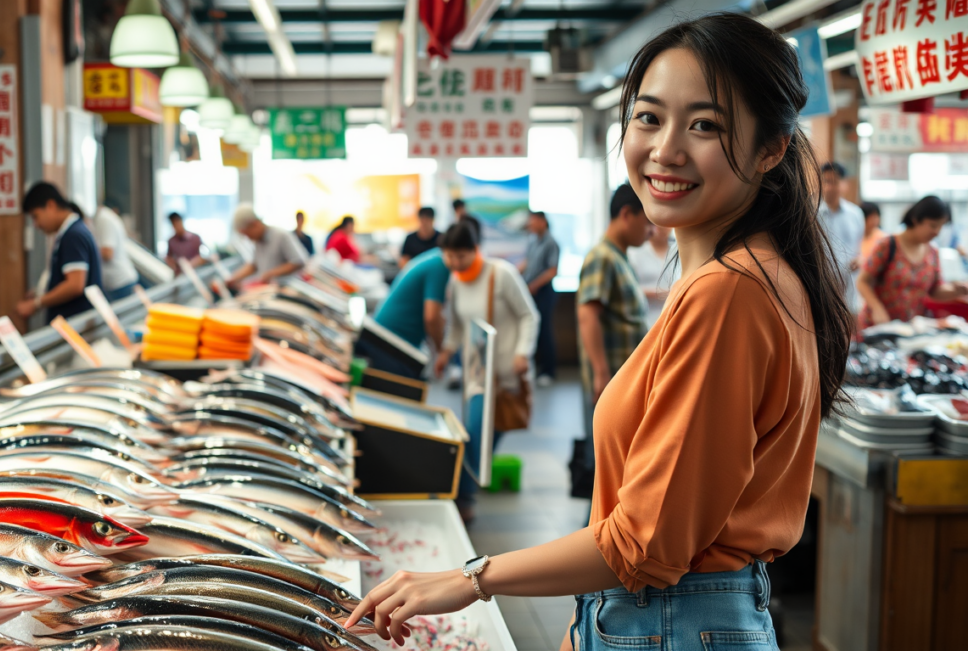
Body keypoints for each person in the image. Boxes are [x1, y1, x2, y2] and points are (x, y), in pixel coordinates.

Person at [345, 14, 852, 651]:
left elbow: (645, 542)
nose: (666, 149)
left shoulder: (730, 292)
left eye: (704, 125)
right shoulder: (746, 274)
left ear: (769, 149)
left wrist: (473, 577)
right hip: (668, 618)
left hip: (672, 623)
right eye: (648, 117)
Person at [432, 222, 539, 522]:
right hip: (477, 374)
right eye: (449, 257)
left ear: (475, 250)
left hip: (506, 372)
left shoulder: (501, 274)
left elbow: (529, 315)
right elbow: (456, 326)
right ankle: (463, 499)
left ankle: (465, 493)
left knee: (488, 435)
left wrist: (523, 352)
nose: (454, 263)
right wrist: (445, 352)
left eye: (461, 256)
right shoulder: (455, 281)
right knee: (475, 435)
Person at [578, 184, 653, 409]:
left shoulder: (619, 257)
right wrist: (601, 372)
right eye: (648, 222)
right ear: (627, 214)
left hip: (624, 381)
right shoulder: (602, 257)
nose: (652, 231)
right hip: (612, 383)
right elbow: (587, 315)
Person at [856, 196, 968, 330]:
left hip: (910, 329)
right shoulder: (888, 245)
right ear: (916, 220)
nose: (937, 232)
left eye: (941, 227)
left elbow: (935, 290)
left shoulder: (932, 253)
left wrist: (957, 290)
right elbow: (862, 282)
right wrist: (877, 308)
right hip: (879, 328)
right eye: (933, 225)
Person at [17, 182, 103, 322]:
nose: (36, 224)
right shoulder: (71, 231)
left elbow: (75, 285)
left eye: (35, 216)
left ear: (51, 205)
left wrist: (37, 303)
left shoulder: (73, 235)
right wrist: (43, 291)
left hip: (76, 323)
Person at [362, 246, 452, 377]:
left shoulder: (433, 258)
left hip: (386, 335)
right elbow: (432, 317)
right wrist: (441, 351)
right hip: (391, 340)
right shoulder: (440, 265)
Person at [518, 210, 560, 386]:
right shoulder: (533, 241)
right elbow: (527, 263)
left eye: (534, 221)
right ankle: (538, 369)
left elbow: (552, 271)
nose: (531, 224)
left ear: (543, 222)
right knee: (534, 329)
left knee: (544, 331)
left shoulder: (551, 243)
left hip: (543, 292)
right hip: (530, 291)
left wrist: (534, 285)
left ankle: (548, 372)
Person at [227, 203, 307, 289]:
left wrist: (271, 273)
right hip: (269, 291)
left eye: (247, 234)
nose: (248, 238)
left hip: (287, 290)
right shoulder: (258, 241)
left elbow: (299, 261)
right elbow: (254, 265)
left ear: (255, 224)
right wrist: (233, 278)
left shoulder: (280, 235)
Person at [819, 161, 865, 313]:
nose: (830, 187)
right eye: (827, 181)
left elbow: (860, 247)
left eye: (835, 182)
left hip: (849, 284)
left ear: (845, 184)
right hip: (821, 284)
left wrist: (860, 259)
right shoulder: (811, 215)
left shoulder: (856, 214)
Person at [627, 225, 678, 327]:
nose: (662, 228)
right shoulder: (635, 252)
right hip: (645, 320)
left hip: (673, 319)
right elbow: (628, 290)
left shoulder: (678, 250)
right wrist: (664, 293)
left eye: (666, 224)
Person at [91, 203, 139, 301]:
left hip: (119, 283)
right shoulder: (108, 217)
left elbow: (108, 253)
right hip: (120, 282)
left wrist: (89, 252)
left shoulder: (104, 218)